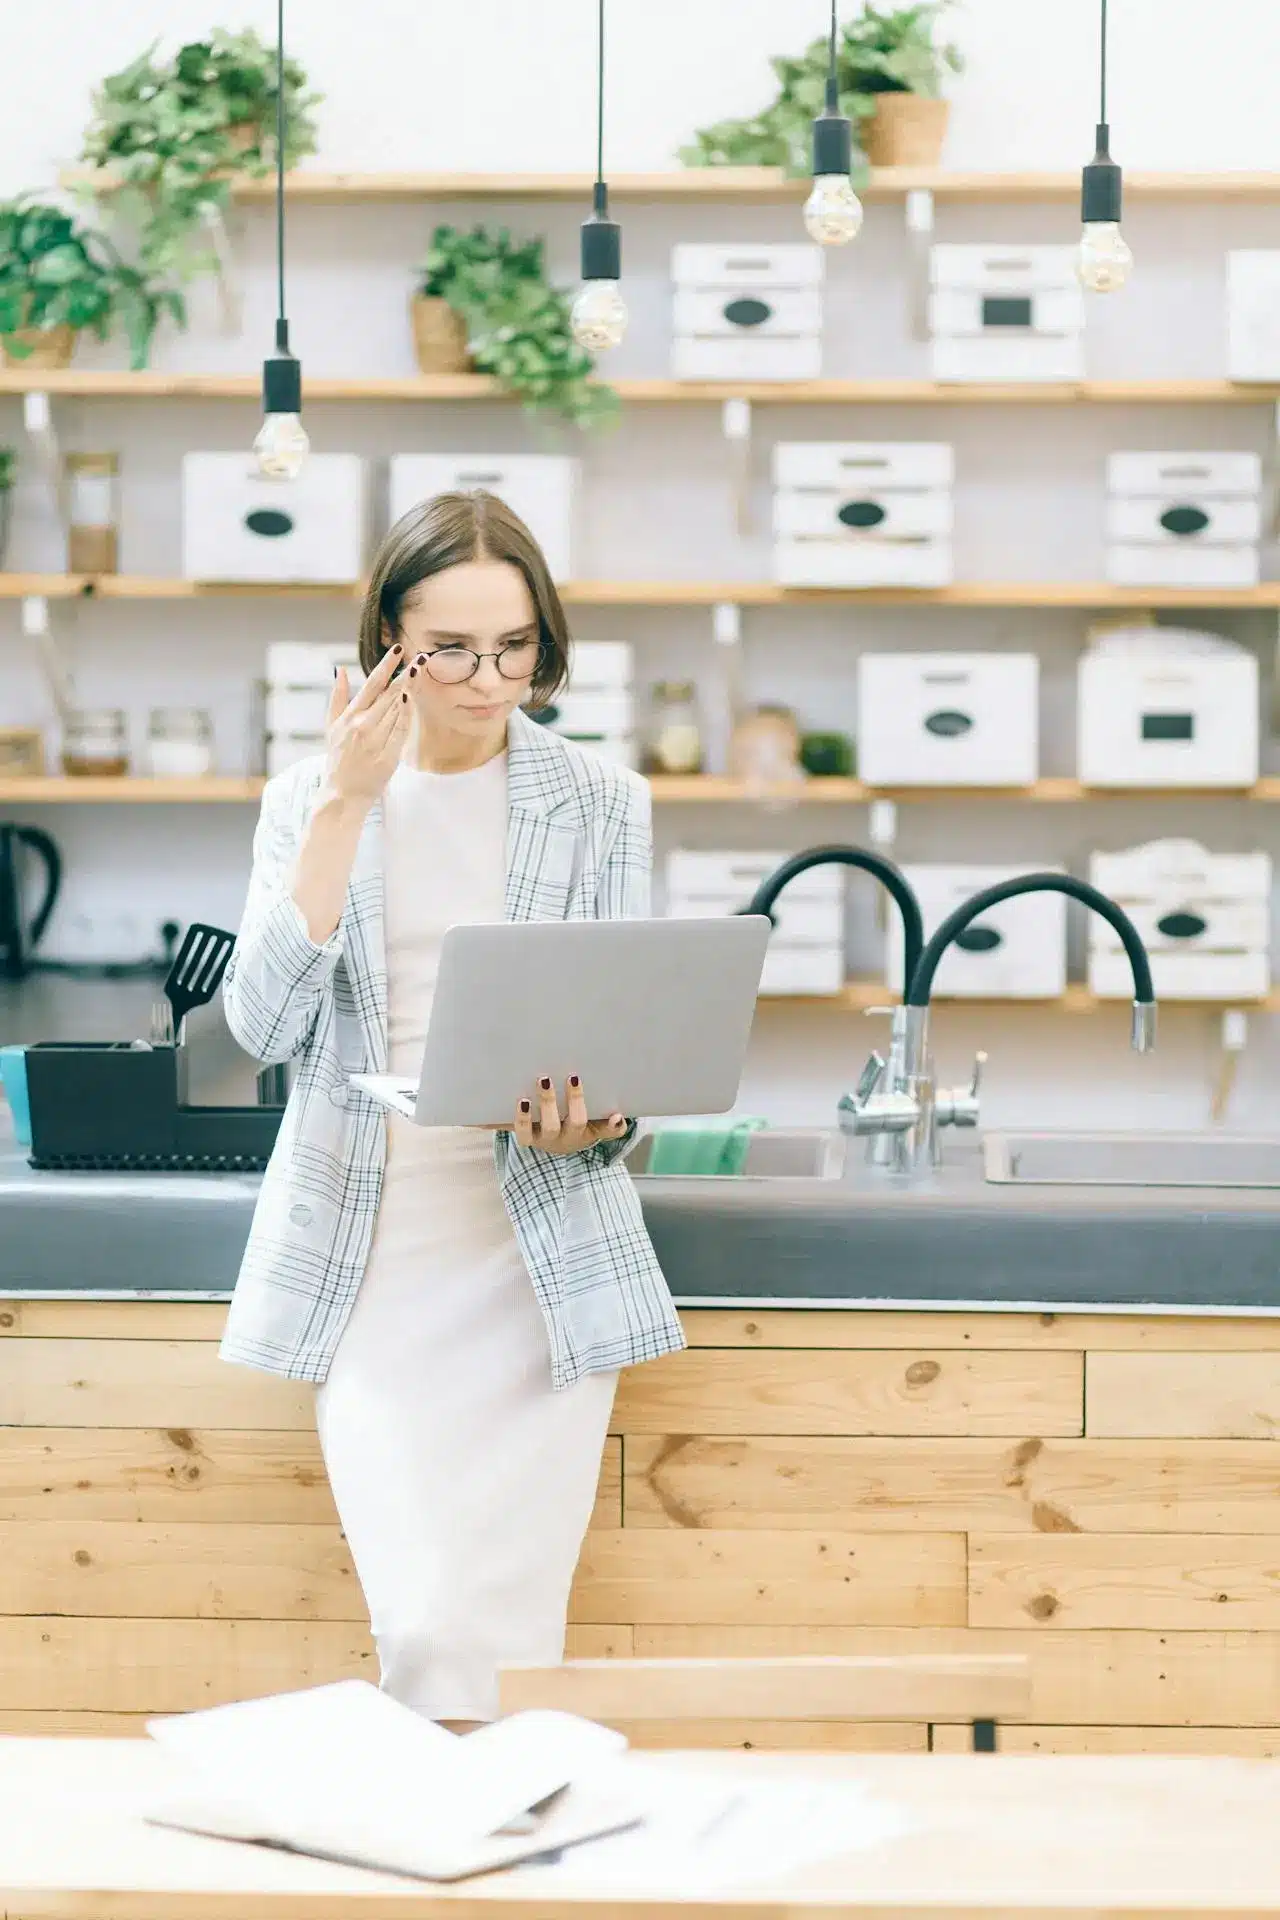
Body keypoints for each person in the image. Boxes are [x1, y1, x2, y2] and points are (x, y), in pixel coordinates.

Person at [220, 489, 686, 1729]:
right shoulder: (305, 802)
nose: (489, 681)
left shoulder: (600, 802)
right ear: (386, 643)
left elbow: (623, 1035)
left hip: (538, 1255)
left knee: (516, 1645)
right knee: (421, 1623)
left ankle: (498, 1870)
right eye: (452, 651)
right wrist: (343, 803)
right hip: (375, 1257)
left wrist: (598, 1115)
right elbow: (260, 1031)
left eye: (515, 647)